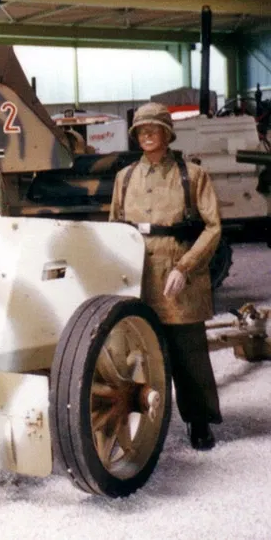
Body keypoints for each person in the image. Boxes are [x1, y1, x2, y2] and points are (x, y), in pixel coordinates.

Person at [109, 102, 222, 451]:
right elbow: (114, 228)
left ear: (167, 133)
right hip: (138, 274)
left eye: (153, 128)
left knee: (189, 353)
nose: (145, 134)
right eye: (140, 129)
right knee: (140, 351)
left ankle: (199, 420)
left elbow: (213, 227)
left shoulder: (192, 175)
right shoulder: (124, 178)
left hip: (178, 275)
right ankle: (146, 418)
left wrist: (185, 267)